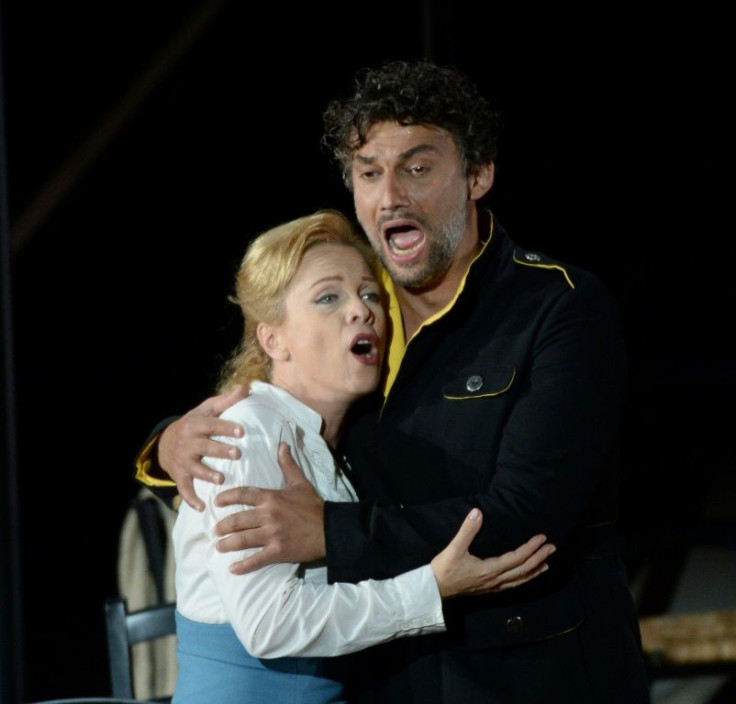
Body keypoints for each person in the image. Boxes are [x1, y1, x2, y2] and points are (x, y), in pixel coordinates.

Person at [137, 60, 651, 702]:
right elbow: (260, 412)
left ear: (478, 174)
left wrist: (330, 531)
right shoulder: (352, 305)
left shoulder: (559, 309)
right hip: (388, 677)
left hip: (533, 677)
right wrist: (167, 445)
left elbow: (527, 517)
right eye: (369, 172)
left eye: (418, 167)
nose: (390, 197)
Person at [166, 208, 554, 704]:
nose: (361, 309)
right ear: (272, 338)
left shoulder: (340, 446)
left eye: (369, 294)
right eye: (328, 297)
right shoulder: (243, 431)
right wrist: (429, 590)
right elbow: (269, 625)